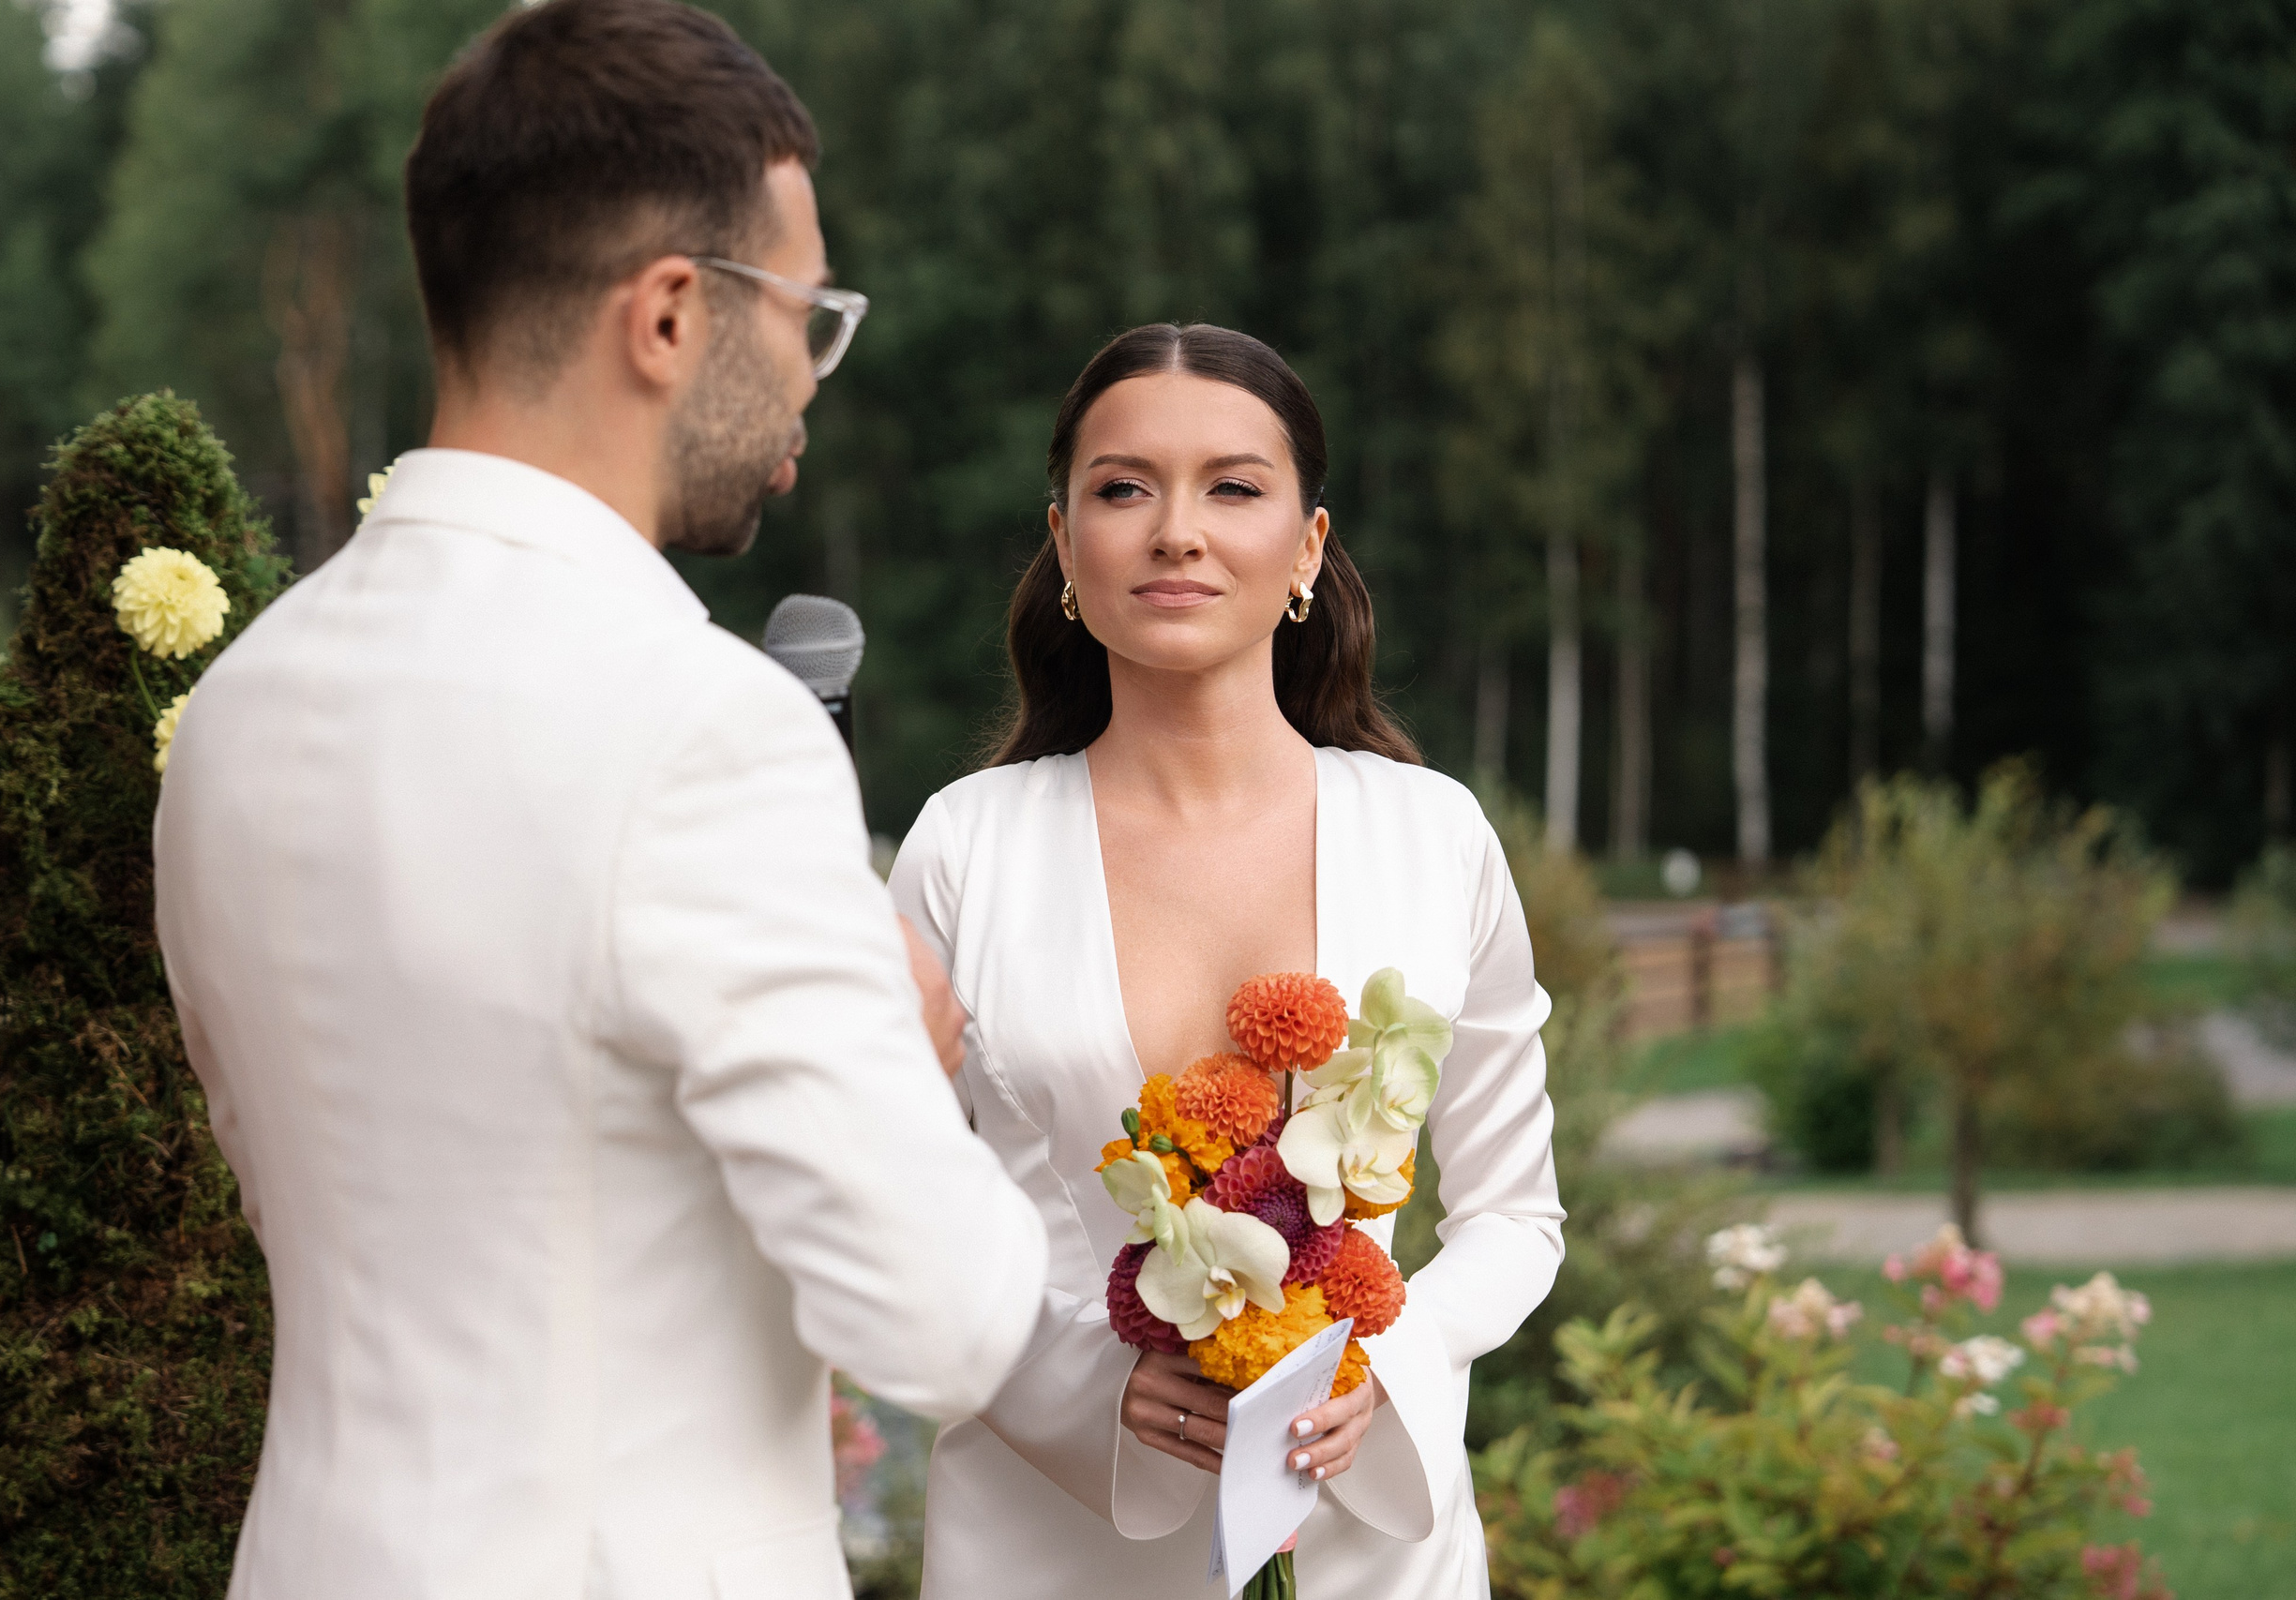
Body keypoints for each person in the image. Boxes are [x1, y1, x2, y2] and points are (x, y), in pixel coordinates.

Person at [151, 5, 1047, 1597]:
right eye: (805, 317)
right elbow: (945, 1322)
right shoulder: (705, 727)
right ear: (671, 316)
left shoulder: (236, 710)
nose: (810, 381)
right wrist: (906, 1057)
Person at [889, 323, 1565, 1597]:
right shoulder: (962, 850)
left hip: (1372, 1546)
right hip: (1048, 1536)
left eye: (1235, 487)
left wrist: (1385, 1366)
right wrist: (1091, 1391)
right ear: (1065, 543)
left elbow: (1515, 1218)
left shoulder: (1435, 837)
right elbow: (896, 1208)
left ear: (1308, 546)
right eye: (1124, 488)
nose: (1176, 531)